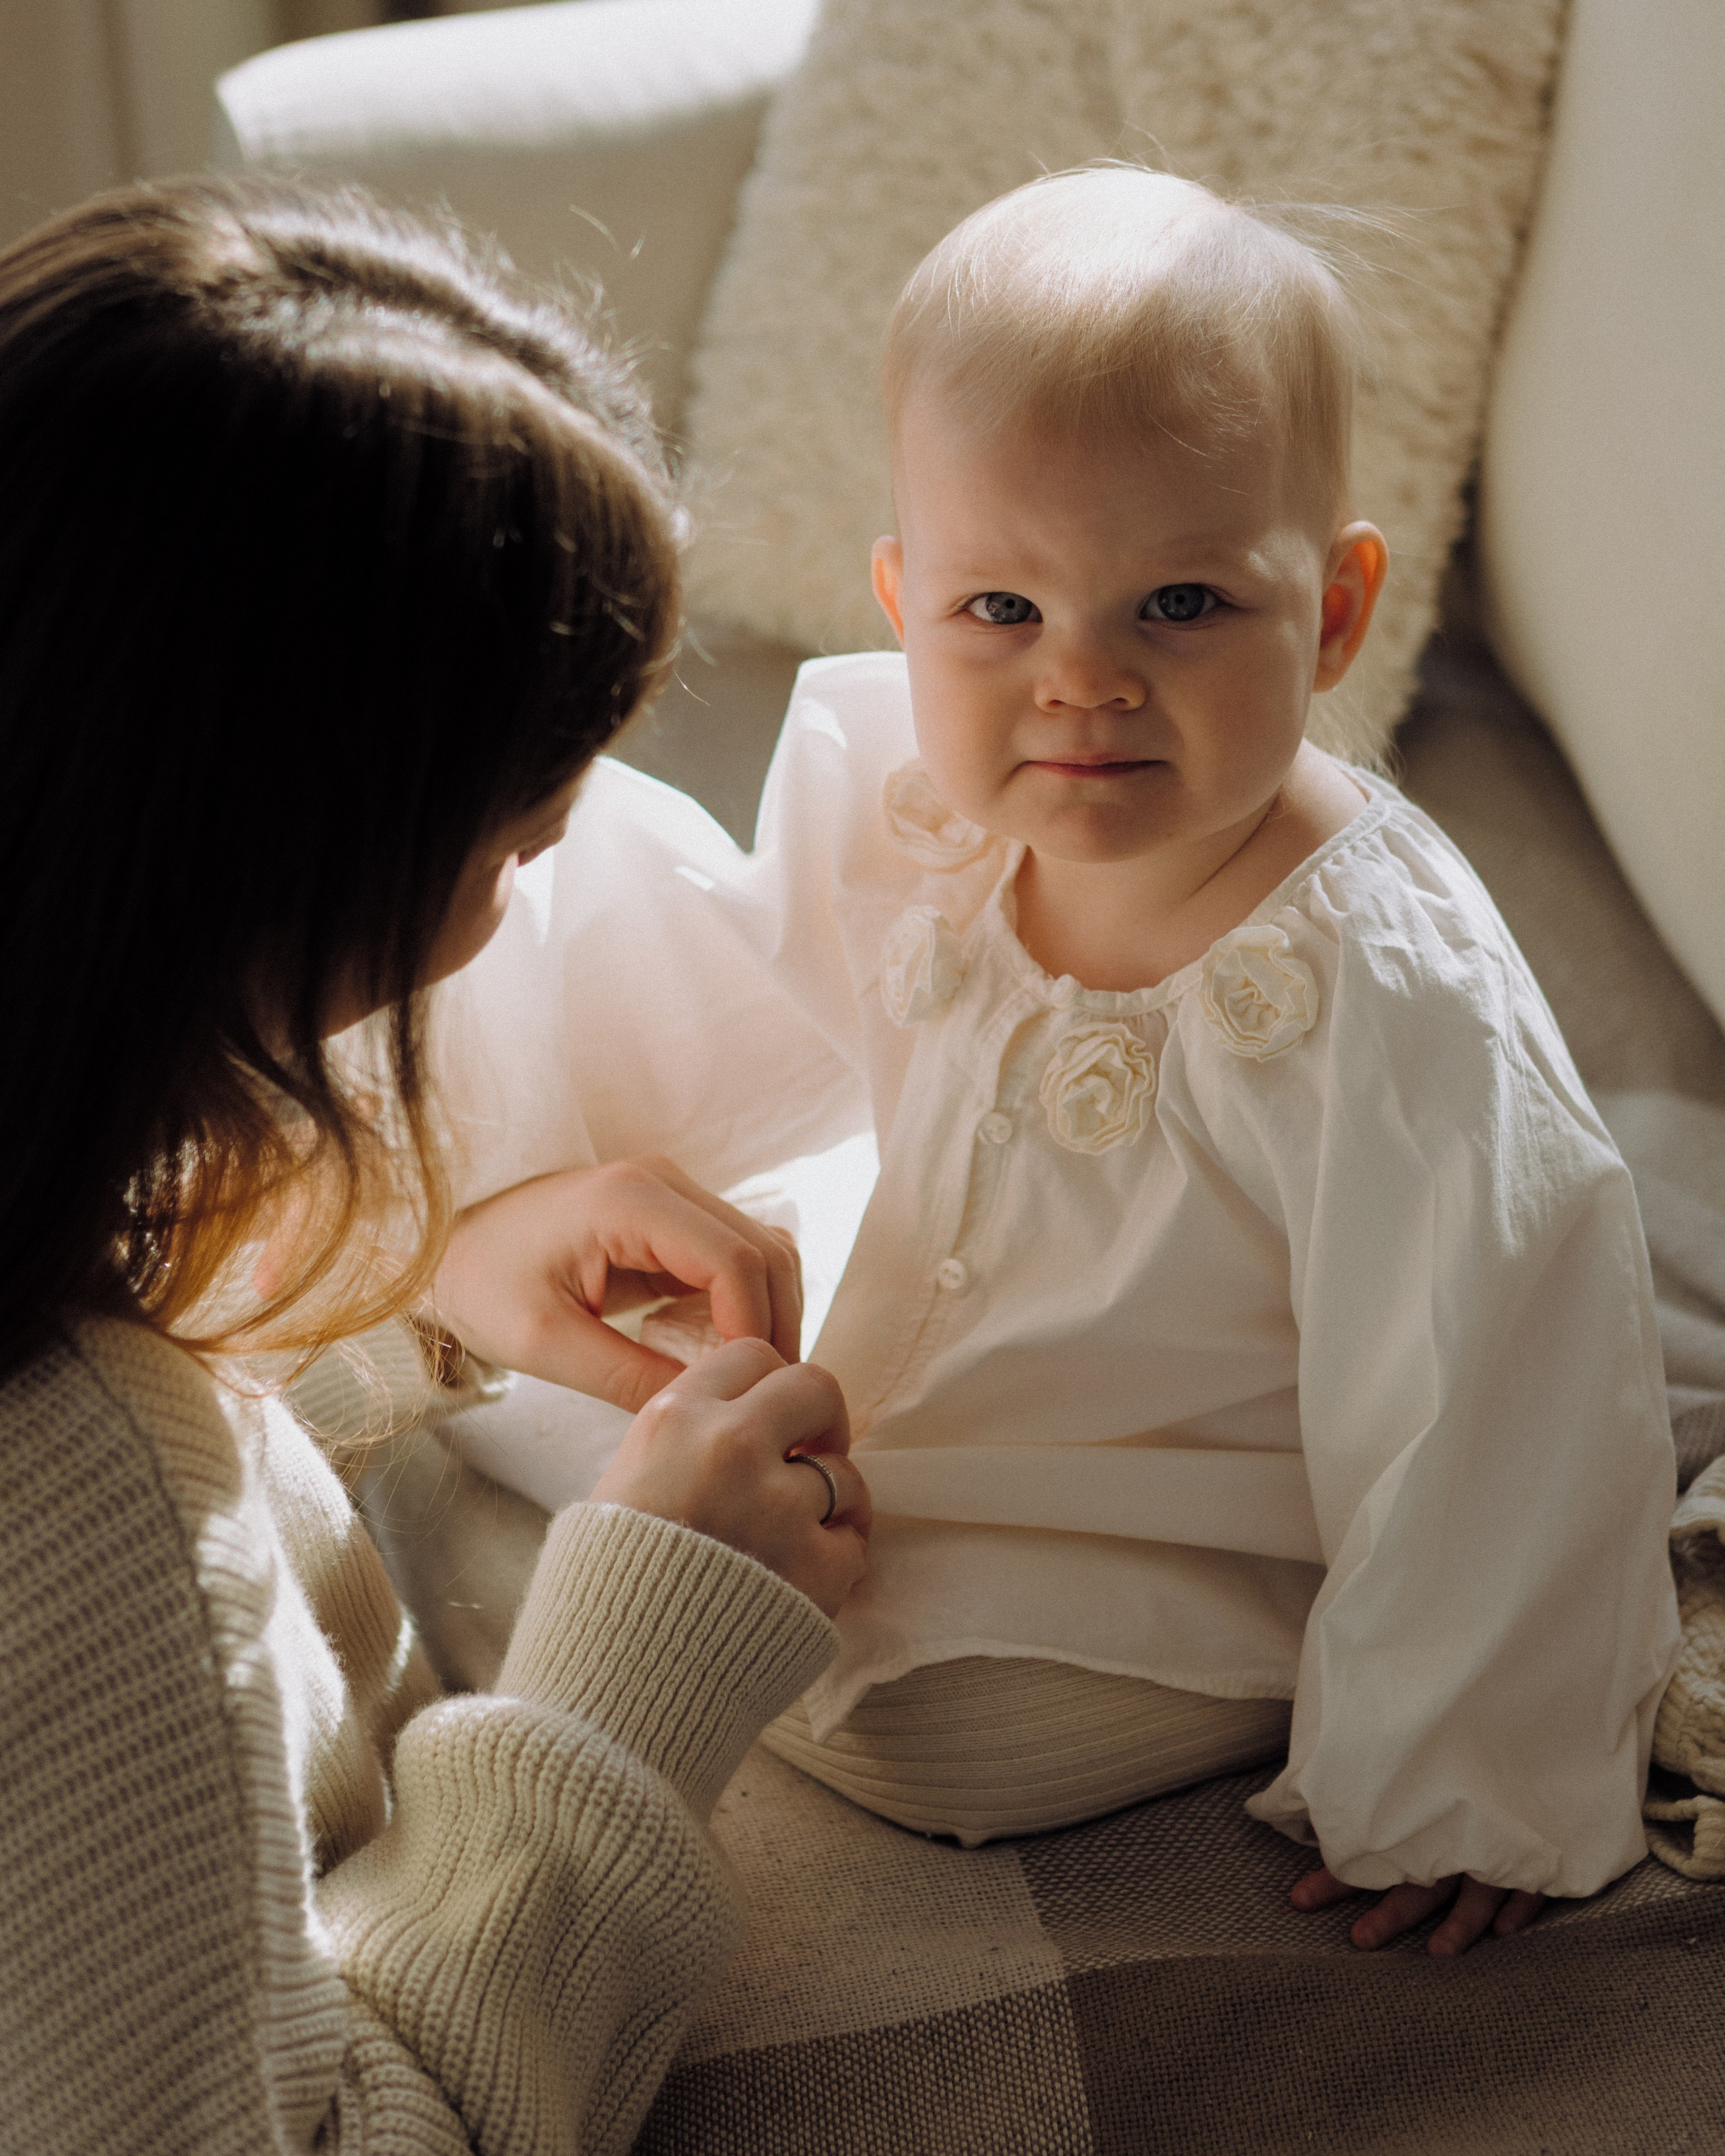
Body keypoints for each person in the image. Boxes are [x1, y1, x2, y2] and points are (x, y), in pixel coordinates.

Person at [430, 169, 1681, 1956]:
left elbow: (1494, 1372)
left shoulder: (1378, 988)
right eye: (999, 612)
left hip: (1155, 1524)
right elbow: (740, 977)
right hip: (921, 1322)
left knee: (923, 1713)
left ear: (1329, 616)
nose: (1077, 685)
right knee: (559, 1284)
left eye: (1178, 605)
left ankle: (677, 1607)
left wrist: (1463, 1769)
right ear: (903, 595)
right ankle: (479, 1274)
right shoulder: (932, 804)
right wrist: (538, 1167)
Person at [0, 174, 871, 2156]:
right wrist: (623, 1685)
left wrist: (402, 1319)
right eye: (507, 846)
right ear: (284, 887)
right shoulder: (78, 1494)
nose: (548, 879)